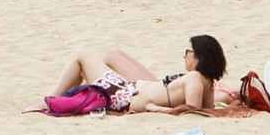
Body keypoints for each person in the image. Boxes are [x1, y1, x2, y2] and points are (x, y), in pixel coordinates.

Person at [49, 36, 231, 115]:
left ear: (199, 57)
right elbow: (208, 110)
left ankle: (49, 100)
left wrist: (157, 109)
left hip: (125, 95)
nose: (185, 56)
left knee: (83, 56)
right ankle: (58, 98)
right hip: (129, 91)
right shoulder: (206, 81)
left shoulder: (194, 78)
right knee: (94, 60)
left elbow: (192, 110)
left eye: (188, 52)